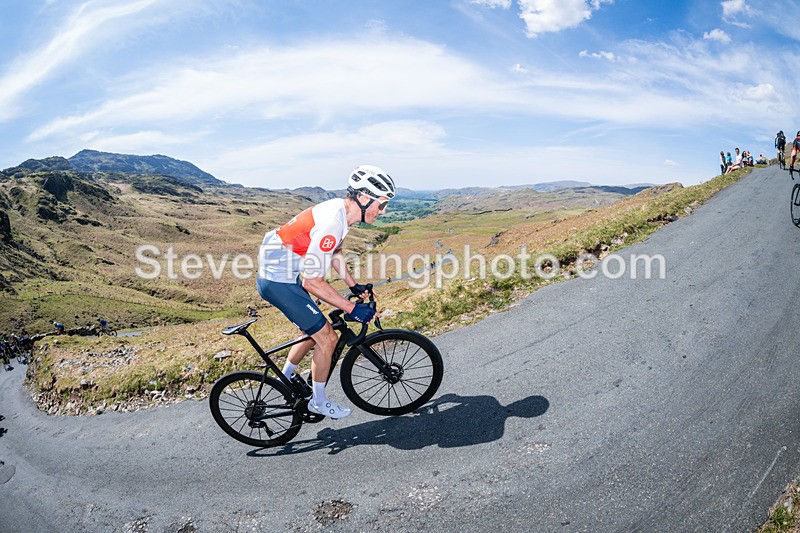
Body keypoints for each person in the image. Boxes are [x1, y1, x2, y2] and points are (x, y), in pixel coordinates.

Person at [256, 164, 395, 419]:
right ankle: (317, 402)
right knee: (327, 337)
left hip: (284, 276)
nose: (384, 211)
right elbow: (312, 282)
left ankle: (284, 379)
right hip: (278, 283)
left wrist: (353, 285)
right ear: (365, 198)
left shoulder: (340, 213)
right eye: (382, 204)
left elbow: (336, 253)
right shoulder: (333, 221)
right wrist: (353, 308)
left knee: (311, 330)